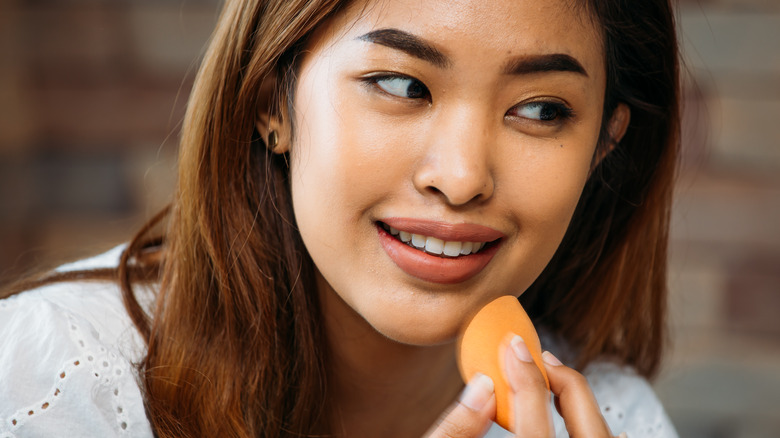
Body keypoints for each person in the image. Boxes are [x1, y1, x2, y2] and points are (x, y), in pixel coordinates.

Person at [0, 0, 681, 436]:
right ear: (272, 102)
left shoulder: (608, 417)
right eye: (403, 85)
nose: (462, 177)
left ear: (603, 146)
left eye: (540, 109)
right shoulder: (55, 382)